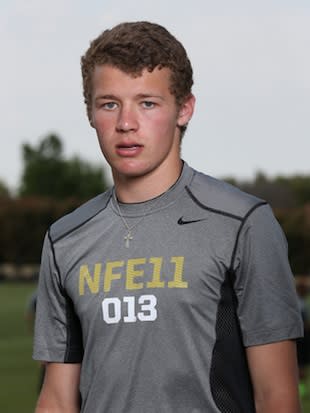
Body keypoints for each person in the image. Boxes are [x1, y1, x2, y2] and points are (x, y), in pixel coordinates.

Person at [33, 21, 303, 412]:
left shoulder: (242, 224)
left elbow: (276, 396)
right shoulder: (65, 239)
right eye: (109, 103)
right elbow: (58, 398)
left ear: (184, 108)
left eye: (147, 103)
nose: (126, 123)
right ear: (91, 113)